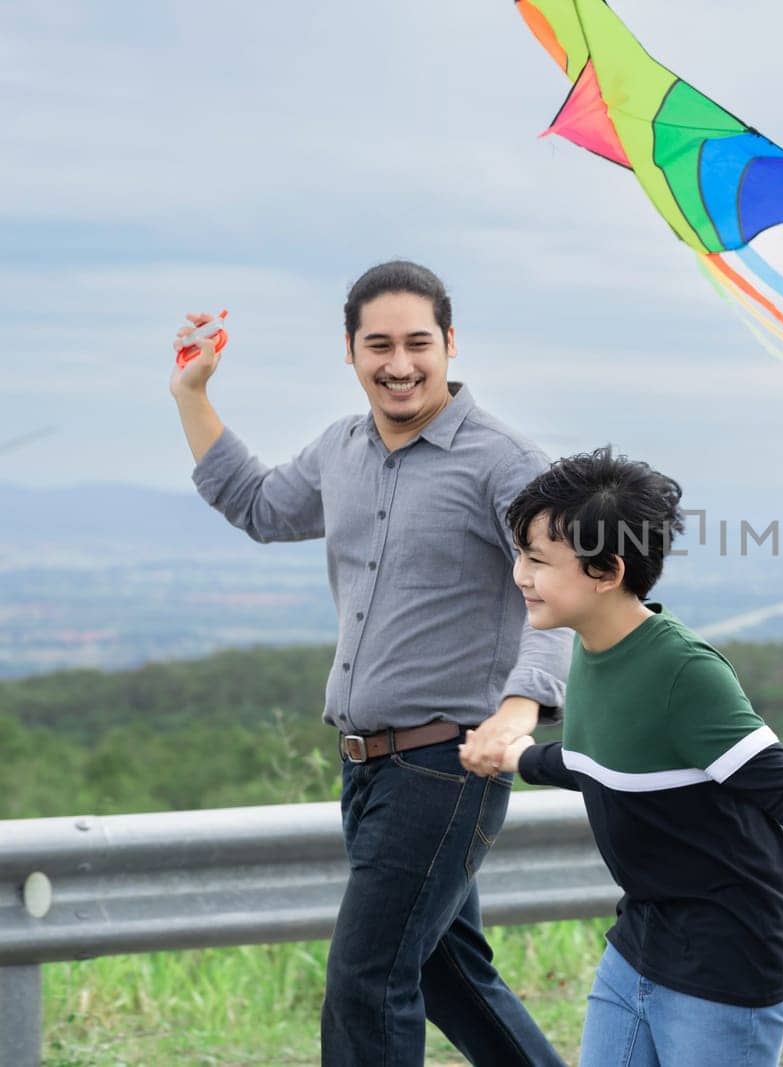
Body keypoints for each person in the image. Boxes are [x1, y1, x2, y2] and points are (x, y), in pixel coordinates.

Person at [169, 260, 572, 1066]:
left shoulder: (504, 461)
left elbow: (558, 586)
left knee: (365, 981)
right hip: (368, 769)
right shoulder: (340, 448)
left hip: (447, 764)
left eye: (418, 342)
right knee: (449, 976)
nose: (399, 363)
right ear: (349, 351)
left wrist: (522, 707)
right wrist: (193, 395)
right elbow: (257, 504)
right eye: (378, 344)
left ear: (450, 344)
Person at [476, 447, 783, 1067]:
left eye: (537, 560)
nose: (520, 575)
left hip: (729, 960)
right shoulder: (589, 650)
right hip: (641, 941)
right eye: (520, 554)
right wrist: (518, 757)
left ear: (606, 571)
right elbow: (600, 760)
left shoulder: (683, 672)